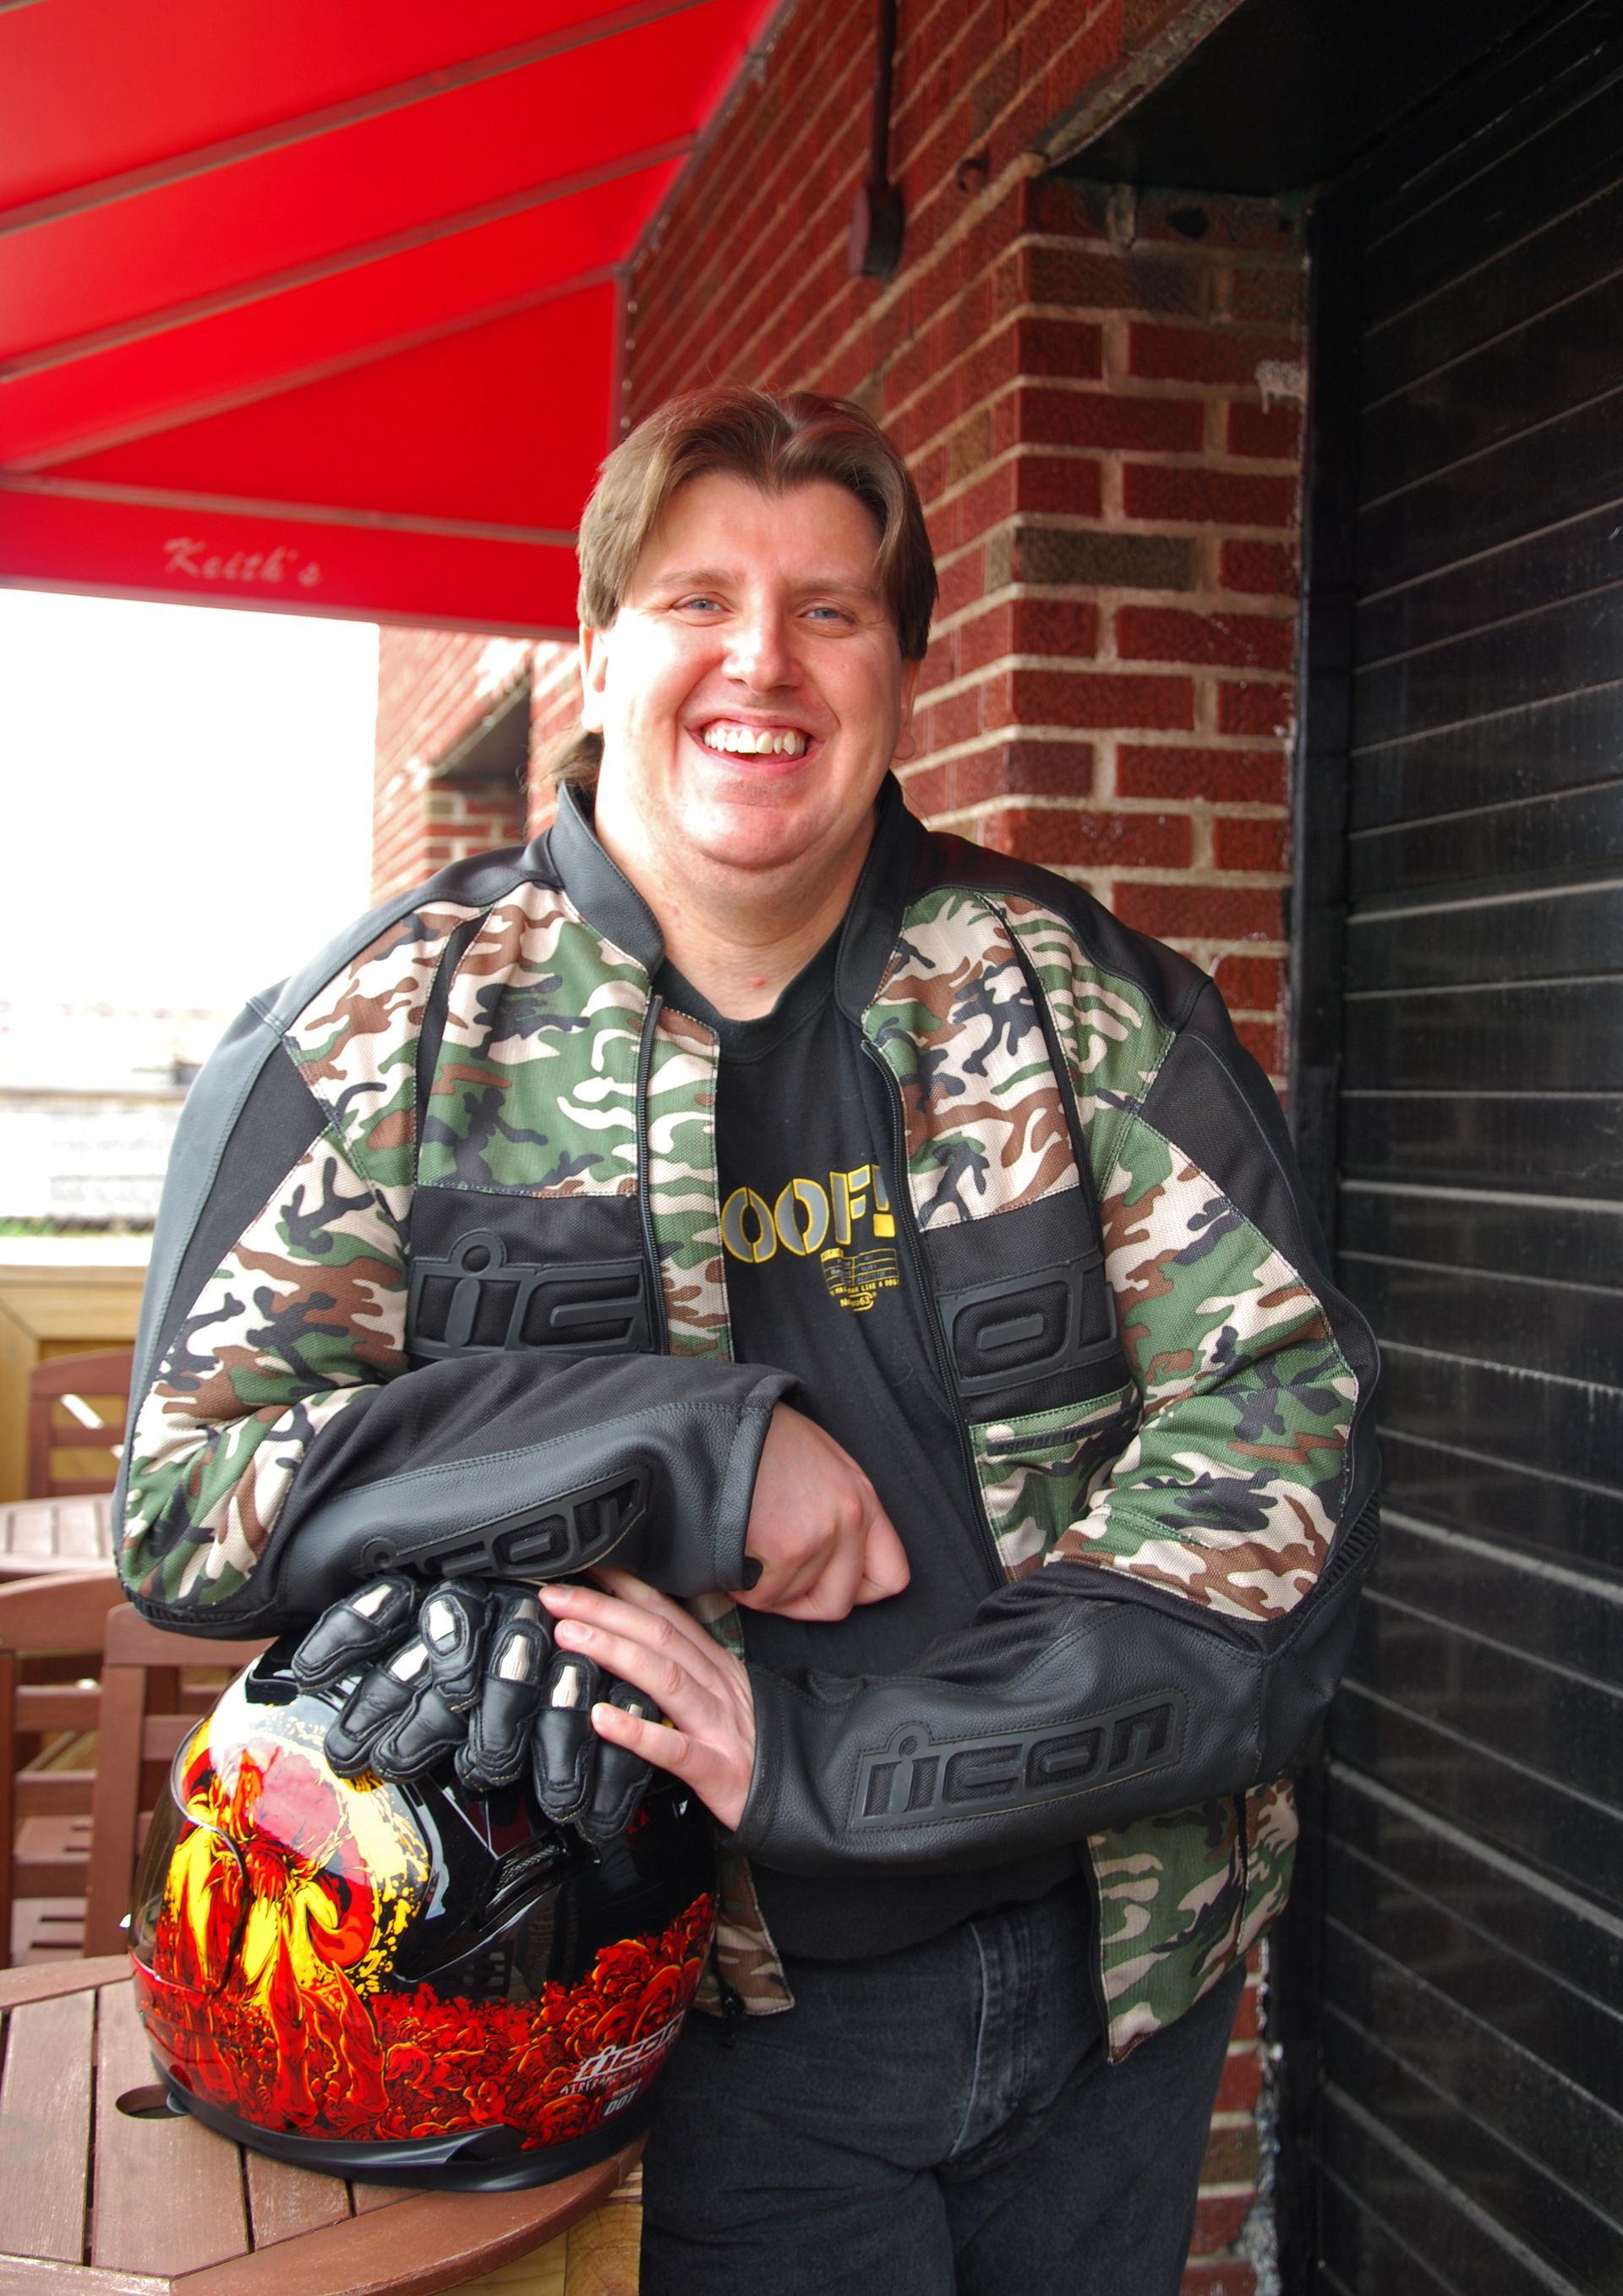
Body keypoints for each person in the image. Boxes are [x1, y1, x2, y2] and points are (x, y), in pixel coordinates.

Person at [116, 385, 1379, 2294]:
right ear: (601, 642)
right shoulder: (387, 1037)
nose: (760, 662)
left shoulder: (1085, 1009)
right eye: (699, 599)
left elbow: (1288, 1443)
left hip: (1116, 1976)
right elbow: (193, 1497)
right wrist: (691, 1446)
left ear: (901, 665)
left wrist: (840, 1755)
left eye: (831, 610)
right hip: (691, 2025)